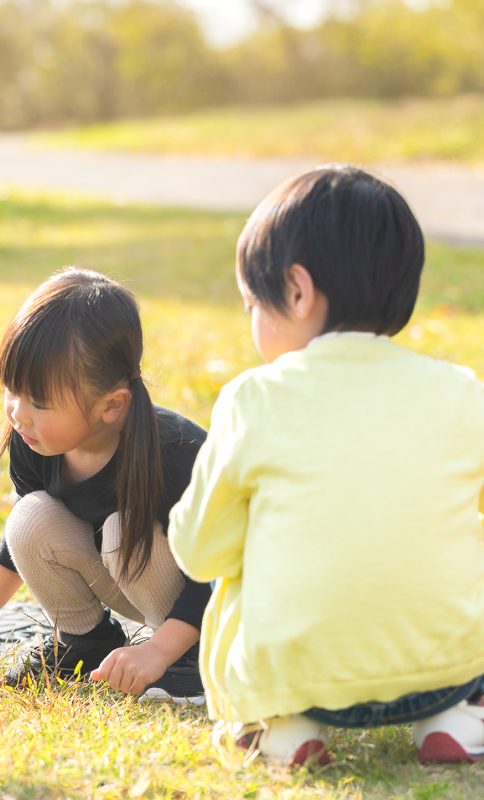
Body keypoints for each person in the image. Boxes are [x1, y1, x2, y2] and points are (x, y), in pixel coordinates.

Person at [170, 165, 484, 766]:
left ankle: (281, 729)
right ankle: (455, 721)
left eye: (251, 306)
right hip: (447, 670)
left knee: (238, 569)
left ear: (296, 290)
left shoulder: (253, 398)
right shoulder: (462, 390)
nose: (252, 325)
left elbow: (200, 551)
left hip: (300, 676)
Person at [0, 268, 211, 703]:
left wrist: (159, 651)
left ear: (111, 405)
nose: (18, 413)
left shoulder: (176, 454)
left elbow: (214, 572)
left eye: (39, 401)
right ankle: (86, 641)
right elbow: (27, 534)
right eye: (11, 390)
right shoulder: (36, 438)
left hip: (216, 600)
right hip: (135, 583)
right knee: (32, 514)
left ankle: (198, 660)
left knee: (119, 530)